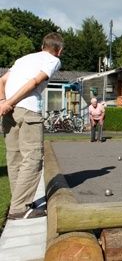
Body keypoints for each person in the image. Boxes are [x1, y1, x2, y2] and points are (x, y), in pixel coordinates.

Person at [0, 32, 63, 219]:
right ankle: (20, 208)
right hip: (26, 110)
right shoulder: (53, 60)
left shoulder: (23, 59)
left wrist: (3, 101)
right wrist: (9, 102)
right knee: (33, 157)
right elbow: (34, 82)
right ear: (58, 50)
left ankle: (18, 202)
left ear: (42, 45)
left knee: (15, 157)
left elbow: (1, 80)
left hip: (9, 112)